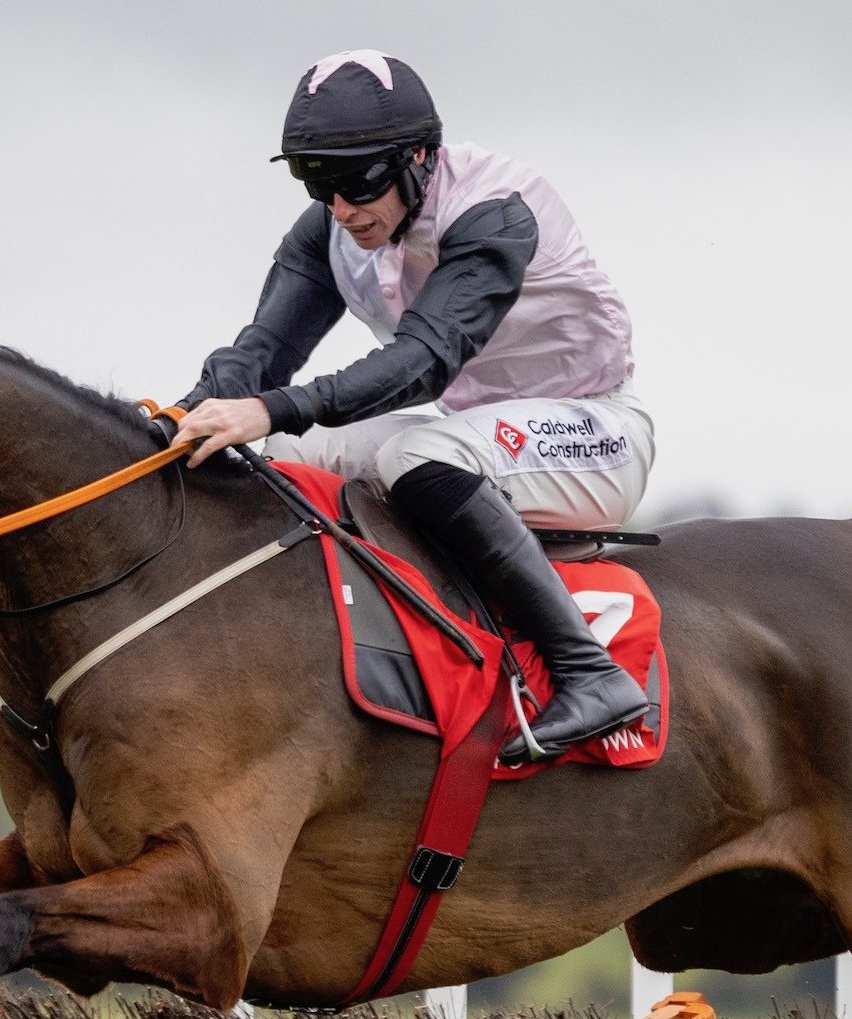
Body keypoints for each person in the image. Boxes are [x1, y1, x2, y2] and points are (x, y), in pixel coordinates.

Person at [173, 49, 654, 762]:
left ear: (420, 157)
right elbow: (261, 352)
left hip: (597, 436)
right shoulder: (333, 228)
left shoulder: (494, 212)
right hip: (480, 434)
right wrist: (183, 412)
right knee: (285, 453)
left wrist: (271, 406)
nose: (341, 208)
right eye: (318, 183)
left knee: (411, 452)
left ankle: (590, 672)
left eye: (357, 182)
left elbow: (423, 363)